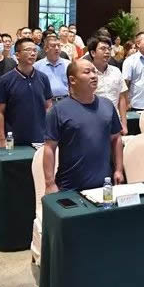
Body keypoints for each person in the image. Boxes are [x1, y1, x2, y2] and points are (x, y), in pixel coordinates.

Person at [44, 59, 124, 192]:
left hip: (104, 186)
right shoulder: (58, 110)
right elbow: (49, 148)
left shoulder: (107, 105)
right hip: (70, 188)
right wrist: (49, 183)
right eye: (87, 72)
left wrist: (119, 170)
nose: (93, 76)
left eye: (94, 72)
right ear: (72, 80)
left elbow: (116, 139)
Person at [0, 37, 52, 147]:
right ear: (17, 55)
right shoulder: (5, 80)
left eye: (35, 50)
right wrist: (1, 139)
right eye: (28, 50)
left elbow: (48, 106)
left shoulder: (43, 78)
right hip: (14, 138)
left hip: (40, 137)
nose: (33, 53)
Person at [87, 36, 129, 135]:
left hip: (115, 122)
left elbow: (122, 97)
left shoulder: (116, 71)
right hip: (93, 122)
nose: (107, 52)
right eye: (103, 49)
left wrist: (124, 124)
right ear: (93, 53)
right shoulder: (87, 73)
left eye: (109, 49)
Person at [33, 33, 71, 101]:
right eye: (53, 46)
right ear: (46, 49)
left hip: (66, 100)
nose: (57, 48)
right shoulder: (37, 66)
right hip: (46, 101)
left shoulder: (68, 64)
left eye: (58, 45)